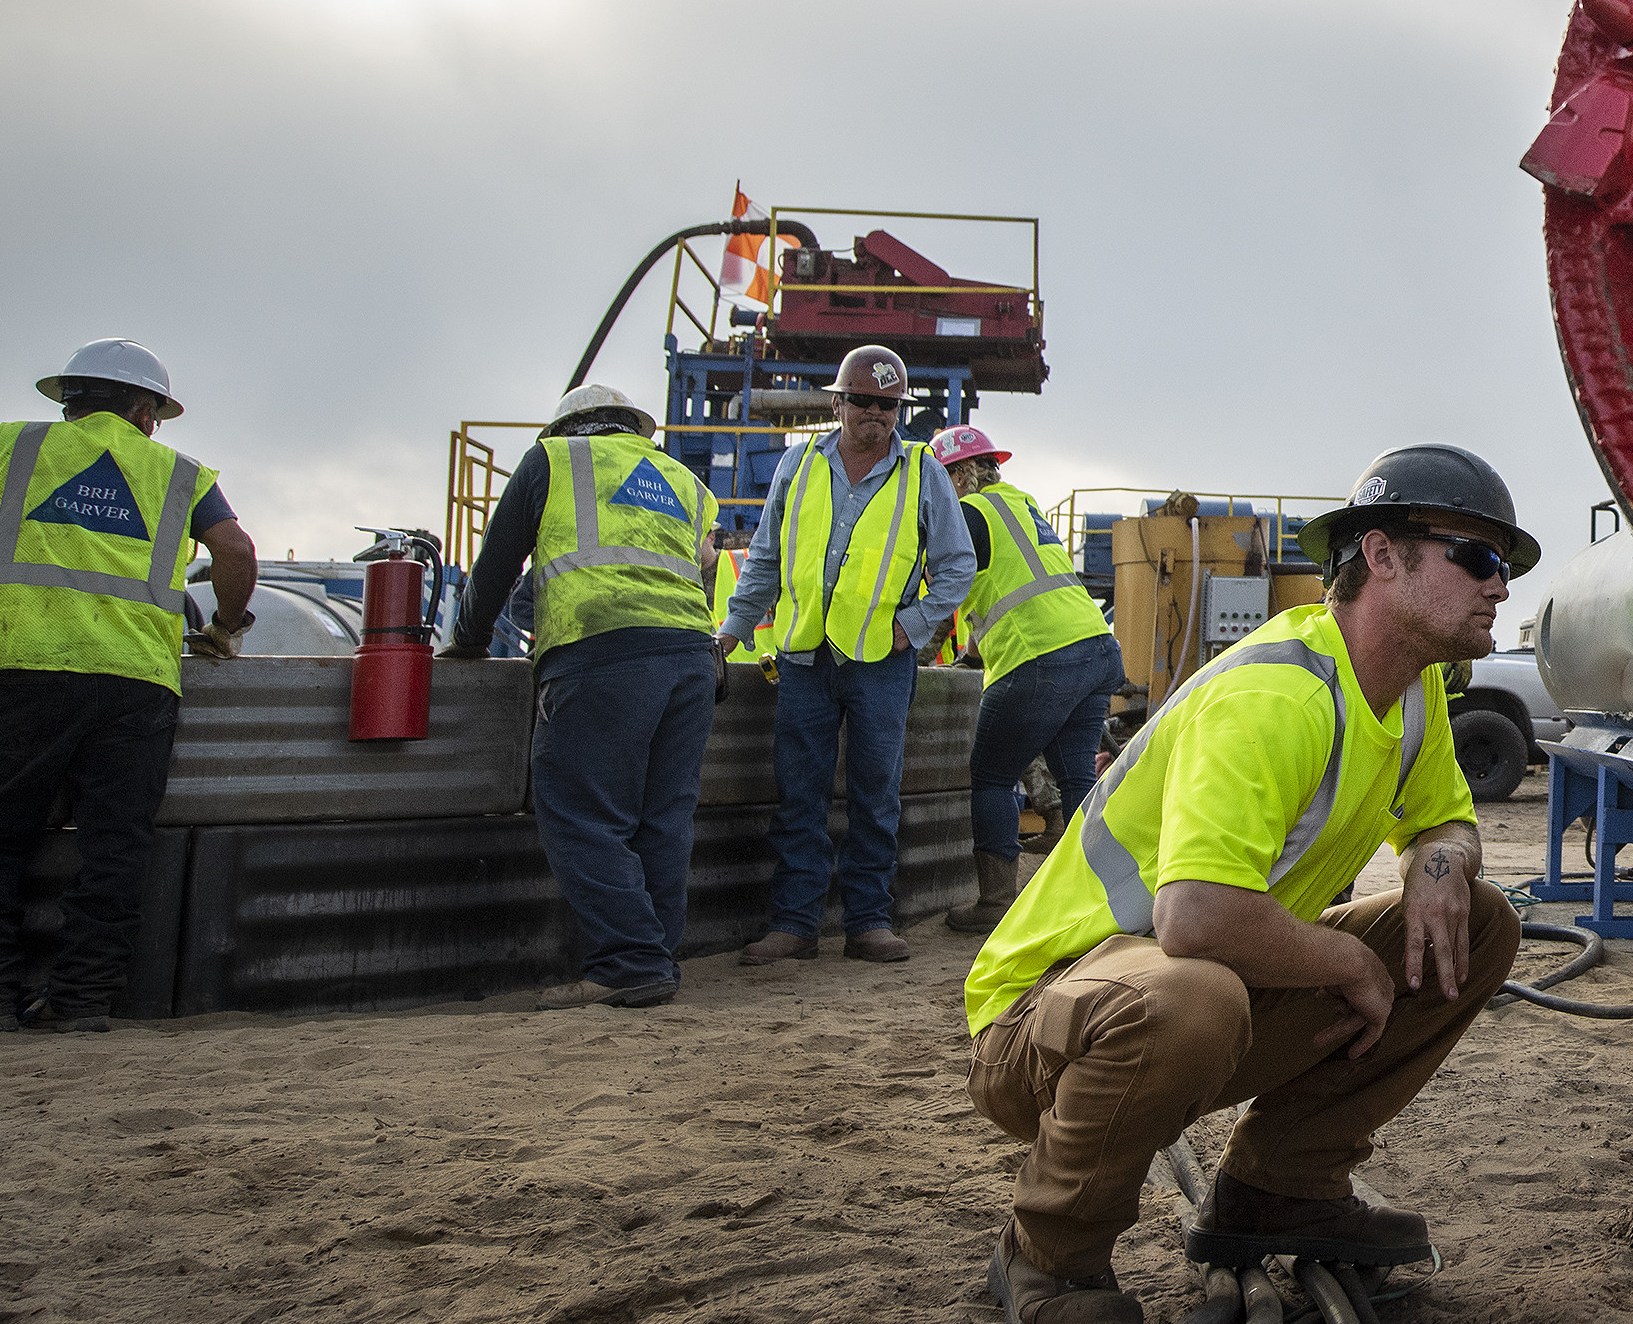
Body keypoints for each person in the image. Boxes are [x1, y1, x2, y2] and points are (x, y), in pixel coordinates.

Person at [962, 445, 1533, 1324]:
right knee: (1195, 994)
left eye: (1505, 565)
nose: (1499, 585)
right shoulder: (1276, 696)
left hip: (1189, 996)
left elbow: (1448, 824)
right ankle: (1049, 1252)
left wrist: (1437, 867)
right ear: (1381, 556)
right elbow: (1193, 918)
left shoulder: (1412, 688)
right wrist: (1348, 962)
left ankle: (1279, 1188)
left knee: (1484, 920)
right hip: (1045, 1025)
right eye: (1478, 557)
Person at [0, 339, 257, 1038]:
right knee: (115, 846)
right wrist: (223, 630)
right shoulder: (179, 473)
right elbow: (236, 551)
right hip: (138, 683)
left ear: (70, 401)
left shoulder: (11, 446)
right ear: (146, 411)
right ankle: (82, 1001)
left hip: (23, 669)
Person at [439, 383, 721, 1011]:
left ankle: (630, 963)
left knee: (580, 810)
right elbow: (700, 569)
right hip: (690, 658)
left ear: (567, 427)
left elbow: (497, 561)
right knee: (664, 818)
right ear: (632, 428)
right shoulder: (683, 480)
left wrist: (469, 640)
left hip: (600, 649)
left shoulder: (553, 459)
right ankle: (655, 956)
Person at [716, 346, 974, 965]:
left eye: (888, 404)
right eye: (863, 401)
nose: (876, 414)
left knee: (875, 794)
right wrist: (729, 633)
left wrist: (911, 628)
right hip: (805, 659)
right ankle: (794, 924)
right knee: (798, 794)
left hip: (881, 661)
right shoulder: (798, 463)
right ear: (837, 403)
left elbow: (957, 565)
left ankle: (868, 922)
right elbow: (766, 559)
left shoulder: (922, 471)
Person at [924, 424, 1121, 936]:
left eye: (939, 479)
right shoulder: (1021, 504)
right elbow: (1009, 588)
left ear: (959, 474)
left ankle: (995, 901)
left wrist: (914, 650)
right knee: (1076, 776)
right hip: (1094, 648)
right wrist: (970, 655)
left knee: (992, 775)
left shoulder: (967, 514)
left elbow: (947, 592)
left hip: (1038, 659)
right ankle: (1092, 896)